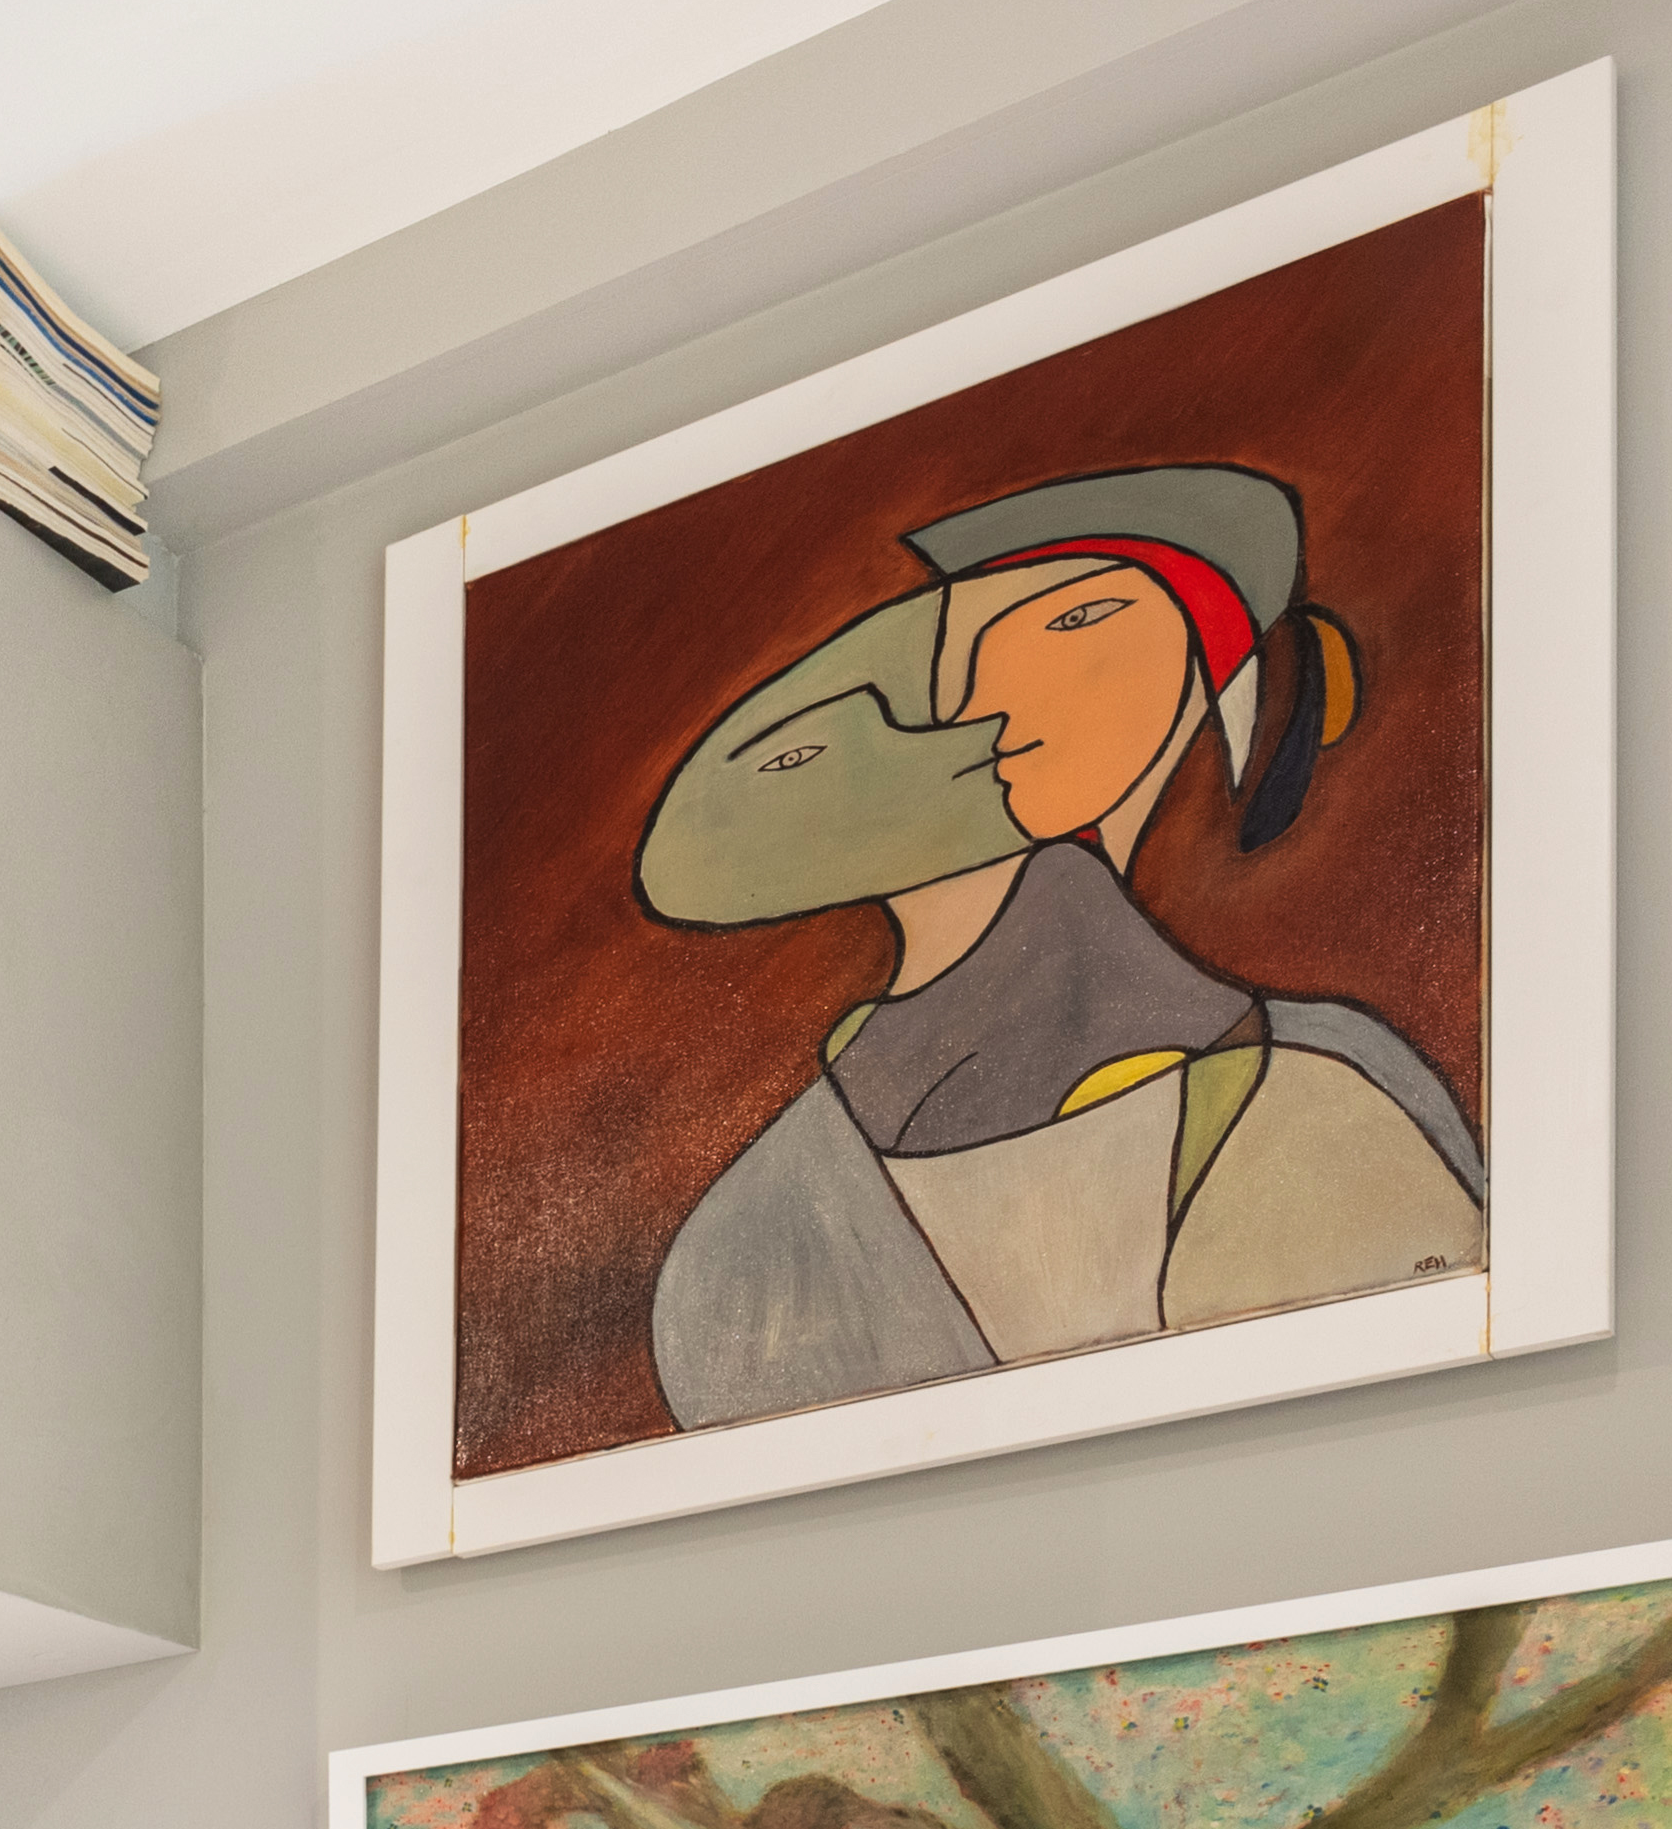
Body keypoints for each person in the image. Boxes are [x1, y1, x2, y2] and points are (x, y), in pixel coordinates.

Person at [627, 463, 1481, 1431]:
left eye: (1078, 621)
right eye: (964, 648)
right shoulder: (752, 1237)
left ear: (1204, 678)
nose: (997, 689)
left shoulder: (1326, 1085)